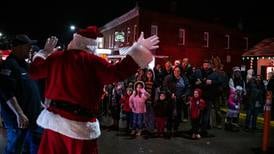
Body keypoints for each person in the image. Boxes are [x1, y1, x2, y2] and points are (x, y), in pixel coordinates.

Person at [29, 26, 159, 154]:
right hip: (80, 126)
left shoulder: (56, 57)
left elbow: (34, 72)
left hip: (54, 123)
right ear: (92, 45)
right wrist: (139, 50)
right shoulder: (93, 61)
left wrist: (44, 53)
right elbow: (118, 72)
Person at [0, 34, 43, 154]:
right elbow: (7, 92)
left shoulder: (24, 64)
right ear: (17, 47)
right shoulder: (10, 65)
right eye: (27, 46)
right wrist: (19, 113)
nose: (30, 49)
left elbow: (29, 87)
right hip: (18, 120)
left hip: (31, 118)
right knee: (15, 147)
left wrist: (39, 102)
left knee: (31, 147)